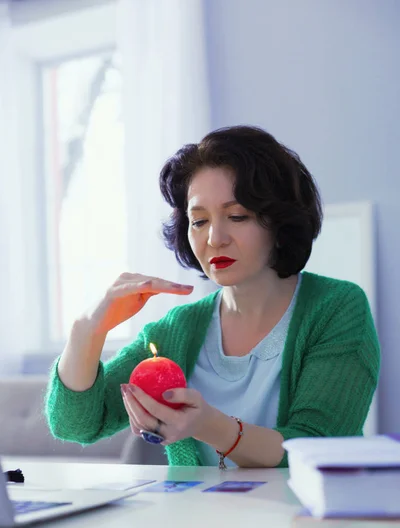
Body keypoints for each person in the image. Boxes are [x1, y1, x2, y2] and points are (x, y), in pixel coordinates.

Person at [45, 125, 381, 469]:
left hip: (300, 520)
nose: (215, 238)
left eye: (237, 216)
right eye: (199, 221)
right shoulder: (177, 330)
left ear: (280, 222)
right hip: (199, 521)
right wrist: (87, 330)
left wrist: (209, 426)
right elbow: (77, 426)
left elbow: (319, 447)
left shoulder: (337, 308)